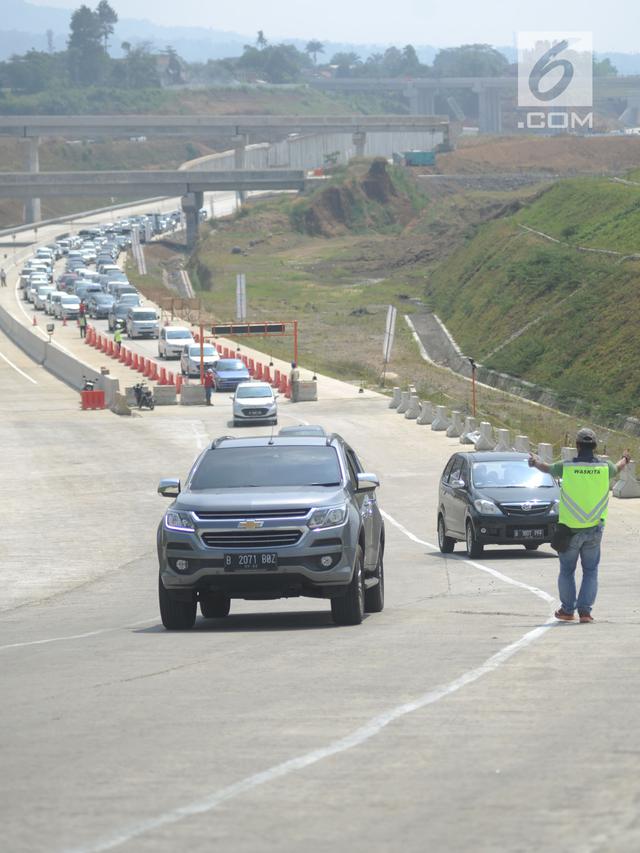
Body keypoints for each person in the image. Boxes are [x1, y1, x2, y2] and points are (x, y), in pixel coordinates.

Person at [528, 428, 630, 623]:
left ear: (577, 446)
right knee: (590, 571)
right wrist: (625, 458)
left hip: (569, 531)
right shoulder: (604, 467)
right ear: (595, 446)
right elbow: (618, 467)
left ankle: (567, 610)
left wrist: (534, 462)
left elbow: (545, 467)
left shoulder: (566, 467)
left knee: (567, 570)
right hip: (594, 529)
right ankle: (585, 612)